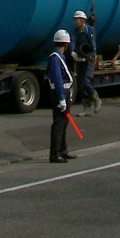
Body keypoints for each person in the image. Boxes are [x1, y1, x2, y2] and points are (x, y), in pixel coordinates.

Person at [47, 29, 76, 163]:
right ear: (66, 44)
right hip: (60, 92)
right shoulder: (55, 57)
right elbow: (58, 79)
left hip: (64, 91)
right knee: (59, 123)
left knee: (64, 122)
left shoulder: (60, 57)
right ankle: (54, 153)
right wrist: (61, 98)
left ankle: (63, 150)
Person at [69, 9, 101, 114]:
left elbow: (93, 44)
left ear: (82, 20)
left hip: (89, 59)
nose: (75, 21)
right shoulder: (74, 31)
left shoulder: (90, 30)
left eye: (77, 19)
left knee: (86, 81)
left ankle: (96, 99)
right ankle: (86, 109)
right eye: (75, 19)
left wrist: (92, 55)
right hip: (79, 59)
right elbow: (72, 41)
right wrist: (73, 52)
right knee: (81, 85)